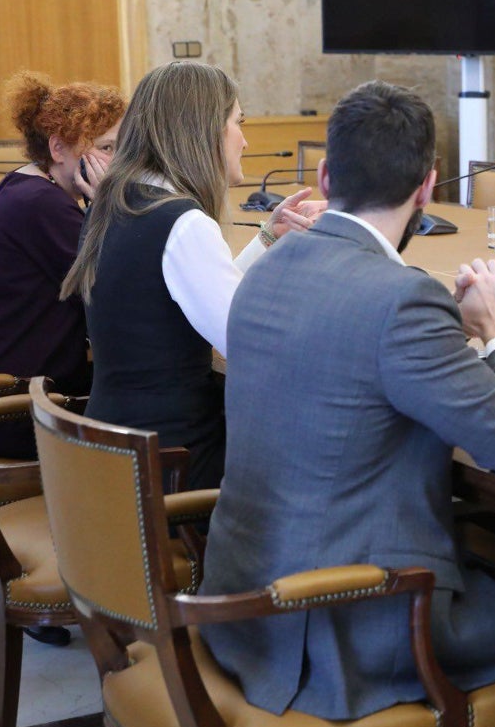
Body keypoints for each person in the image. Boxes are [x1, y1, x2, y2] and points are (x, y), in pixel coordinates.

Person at [200, 80, 495, 727]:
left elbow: (352, 352)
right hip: (347, 621)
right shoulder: (402, 300)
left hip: (243, 600)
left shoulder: (270, 267)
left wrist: (454, 326)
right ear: (428, 187)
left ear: (326, 173)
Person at [59, 61, 323, 491]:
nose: (244, 139)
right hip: (173, 467)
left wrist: (268, 238)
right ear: (203, 131)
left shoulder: (118, 202)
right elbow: (251, 345)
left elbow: (185, 296)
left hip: (117, 454)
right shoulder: (181, 223)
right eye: (237, 122)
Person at [0, 71, 125, 460]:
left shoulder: (24, 186)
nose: (118, 162)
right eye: (108, 148)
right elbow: (113, 297)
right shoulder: (42, 207)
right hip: (12, 411)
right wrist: (109, 207)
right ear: (58, 148)